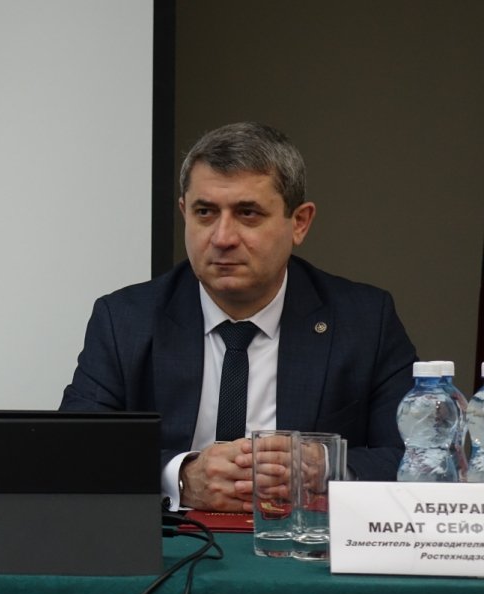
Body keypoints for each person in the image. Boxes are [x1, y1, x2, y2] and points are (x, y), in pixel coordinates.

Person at [60, 122, 416, 512]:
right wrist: (181, 476)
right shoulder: (125, 320)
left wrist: (327, 466)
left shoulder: (364, 321)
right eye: (205, 212)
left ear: (299, 223)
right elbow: (73, 450)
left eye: (248, 213)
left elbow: (423, 459)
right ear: (184, 213)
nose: (223, 238)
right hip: (174, 541)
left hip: (300, 541)